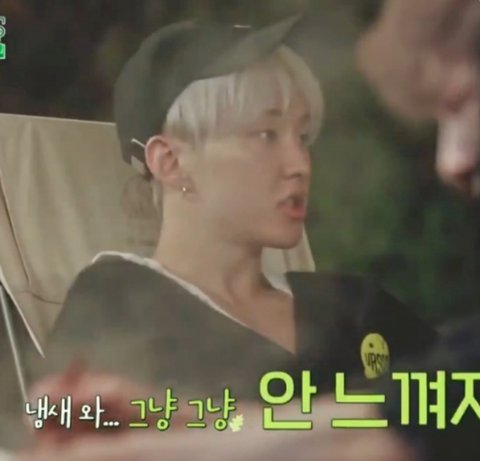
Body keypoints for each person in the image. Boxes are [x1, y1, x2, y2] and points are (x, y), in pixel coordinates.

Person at [20, 13, 439, 450]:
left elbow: (464, 406)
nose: (300, 164)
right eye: (266, 134)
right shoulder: (117, 306)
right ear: (171, 162)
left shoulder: (355, 306)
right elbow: (59, 432)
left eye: (302, 136)